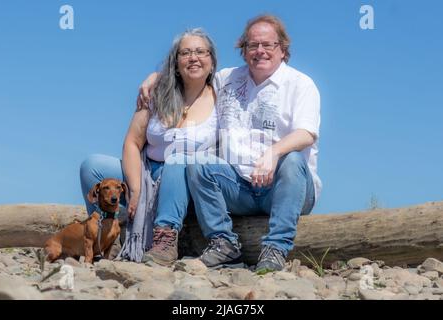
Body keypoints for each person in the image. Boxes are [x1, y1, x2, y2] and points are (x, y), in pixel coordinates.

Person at [139, 14, 321, 274]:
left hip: (286, 188)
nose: (260, 51)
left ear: (283, 49)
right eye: (252, 45)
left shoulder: (301, 84)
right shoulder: (227, 79)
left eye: (268, 45)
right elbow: (194, 72)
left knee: (291, 160)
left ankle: (275, 248)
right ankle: (223, 243)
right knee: (199, 161)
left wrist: (273, 153)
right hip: (239, 187)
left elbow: (306, 134)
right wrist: (156, 76)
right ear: (243, 50)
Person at [80, 28, 219, 265]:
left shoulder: (223, 94)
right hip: (147, 171)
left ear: (212, 60)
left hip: (188, 180)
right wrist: (134, 190)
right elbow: (133, 142)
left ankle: (163, 237)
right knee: (92, 167)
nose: (193, 58)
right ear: (175, 63)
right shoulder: (156, 92)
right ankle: (106, 232)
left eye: (200, 52)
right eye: (185, 53)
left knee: (177, 166)